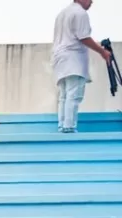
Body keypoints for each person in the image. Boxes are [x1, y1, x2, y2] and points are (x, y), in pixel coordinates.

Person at [52, 0, 112, 132]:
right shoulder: (80, 13)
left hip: (60, 59)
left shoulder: (62, 13)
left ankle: (62, 125)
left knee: (64, 95)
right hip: (73, 59)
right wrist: (102, 52)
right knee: (74, 95)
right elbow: (83, 37)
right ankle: (69, 127)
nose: (91, 2)